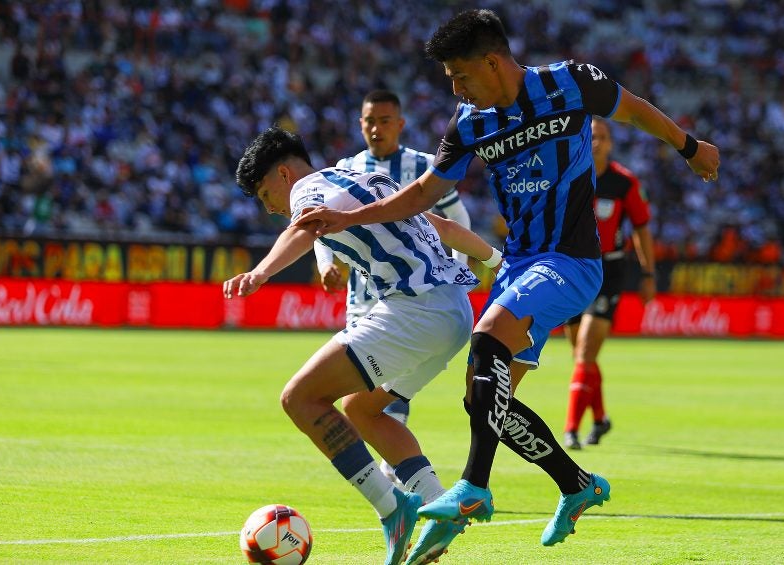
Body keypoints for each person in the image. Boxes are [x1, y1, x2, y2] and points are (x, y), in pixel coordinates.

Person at [295, 9, 720, 563]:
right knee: (485, 400)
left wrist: (689, 147)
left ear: (493, 62)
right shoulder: (470, 121)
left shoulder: (569, 82)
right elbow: (424, 192)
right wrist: (352, 219)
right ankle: (576, 484)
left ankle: (472, 489)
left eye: (459, 74)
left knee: (489, 337)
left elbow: (632, 108)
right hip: (521, 266)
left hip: (570, 259)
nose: (454, 87)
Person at [224, 126, 503, 565]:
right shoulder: (366, 180)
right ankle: (437, 505)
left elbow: (303, 229)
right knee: (361, 409)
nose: (273, 209)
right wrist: (498, 262)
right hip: (454, 312)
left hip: (415, 312)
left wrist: (259, 274)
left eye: (264, 195)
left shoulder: (306, 190)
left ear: (282, 173)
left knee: (300, 398)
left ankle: (392, 507)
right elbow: (444, 226)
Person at [314, 89, 473, 487]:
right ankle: (402, 475)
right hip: (363, 300)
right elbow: (320, 228)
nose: (375, 127)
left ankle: (396, 476)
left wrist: (456, 269)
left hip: (416, 297)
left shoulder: (422, 165)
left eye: (384, 120)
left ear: (400, 124)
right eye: (369, 120)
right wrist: (328, 263)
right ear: (360, 123)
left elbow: (457, 217)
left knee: (383, 392)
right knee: (369, 394)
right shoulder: (346, 168)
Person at [562, 116, 657, 451]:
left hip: (608, 272)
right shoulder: (571, 175)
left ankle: (571, 429)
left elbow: (642, 228)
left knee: (585, 352)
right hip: (572, 270)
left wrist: (648, 274)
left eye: (603, 136)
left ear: (611, 143)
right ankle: (600, 418)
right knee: (580, 355)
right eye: (592, 136)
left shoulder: (624, 183)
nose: (597, 142)